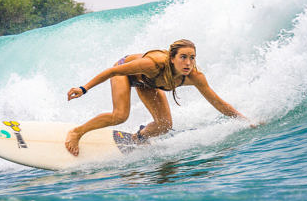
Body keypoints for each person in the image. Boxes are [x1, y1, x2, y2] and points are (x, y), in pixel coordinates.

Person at [64, 39, 252, 155]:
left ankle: (139, 137)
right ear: (172, 58)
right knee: (120, 115)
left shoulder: (195, 76)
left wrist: (244, 120)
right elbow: (113, 71)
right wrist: (84, 88)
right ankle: (77, 132)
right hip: (125, 73)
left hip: (147, 83)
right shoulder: (152, 64)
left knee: (164, 125)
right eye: (183, 57)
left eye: (192, 57)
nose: (188, 63)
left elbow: (217, 102)